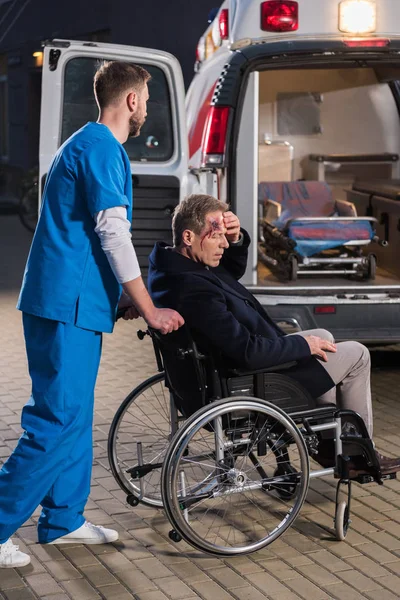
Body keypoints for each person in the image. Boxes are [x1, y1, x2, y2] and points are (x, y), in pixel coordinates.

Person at [0, 61, 184, 568]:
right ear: (130, 100)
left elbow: (84, 235)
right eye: (146, 97)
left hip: (71, 302)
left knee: (75, 416)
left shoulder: (86, 143)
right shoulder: (102, 147)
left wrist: (118, 297)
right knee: (56, 419)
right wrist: (148, 307)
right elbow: (112, 234)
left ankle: (62, 519)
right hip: (66, 307)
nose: (147, 106)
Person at [148, 193, 400, 481]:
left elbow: (227, 274)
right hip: (248, 380)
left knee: (325, 336)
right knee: (357, 355)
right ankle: (358, 455)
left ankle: (328, 443)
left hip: (225, 369)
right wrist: (301, 345)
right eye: (217, 236)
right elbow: (247, 352)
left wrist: (237, 236)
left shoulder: (173, 266)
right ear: (189, 236)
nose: (224, 243)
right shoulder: (193, 288)